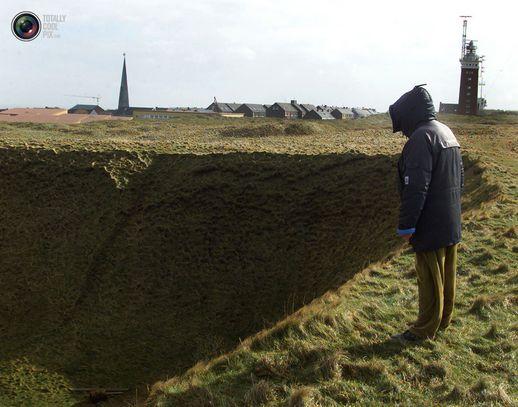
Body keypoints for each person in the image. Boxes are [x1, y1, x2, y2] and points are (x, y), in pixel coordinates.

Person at [389, 85, 464, 342]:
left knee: (429, 278)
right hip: (449, 217)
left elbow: (415, 186)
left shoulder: (422, 138)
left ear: (410, 115)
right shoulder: (446, 132)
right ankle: (442, 321)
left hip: (430, 222)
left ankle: (422, 331)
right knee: (446, 275)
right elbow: (460, 178)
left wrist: (407, 226)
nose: (403, 134)